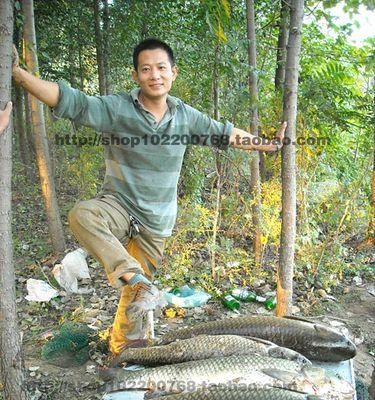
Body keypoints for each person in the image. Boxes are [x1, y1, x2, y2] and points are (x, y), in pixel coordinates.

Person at [12, 38, 286, 356]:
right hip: (118, 205)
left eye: (160, 68)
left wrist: (266, 145)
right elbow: (71, 101)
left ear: (173, 72)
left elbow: (225, 133)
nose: (154, 75)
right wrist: (18, 74)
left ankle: (125, 351)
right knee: (83, 215)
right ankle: (134, 275)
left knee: (135, 299)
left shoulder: (185, 117)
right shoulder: (117, 109)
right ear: (136, 76)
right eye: (146, 69)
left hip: (156, 220)